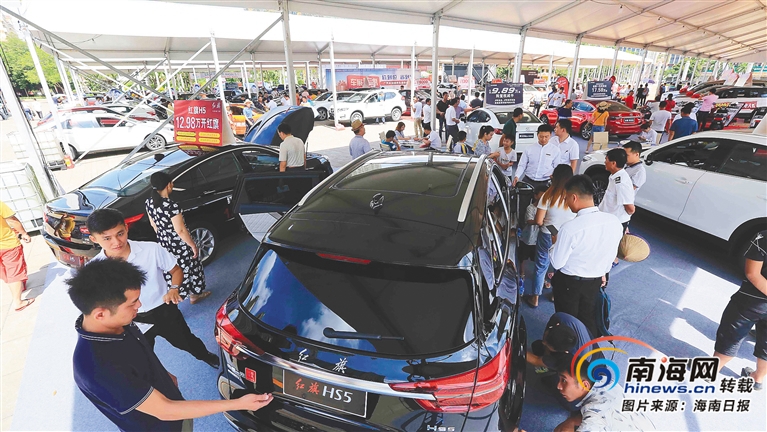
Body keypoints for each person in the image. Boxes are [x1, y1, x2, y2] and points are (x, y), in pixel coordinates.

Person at [67, 259, 273, 431]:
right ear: (100, 314)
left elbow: (139, 353)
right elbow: (165, 410)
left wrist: (163, 374)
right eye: (132, 303)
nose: (139, 305)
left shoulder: (118, 322)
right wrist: (238, 404)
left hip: (175, 410)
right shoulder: (96, 367)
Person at [87, 209, 220, 368]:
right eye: (107, 238)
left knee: (186, 341)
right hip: (131, 319)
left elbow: (176, 270)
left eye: (120, 234)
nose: (116, 242)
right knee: (142, 356)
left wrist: (174, 288)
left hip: (163, 310)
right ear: (94, 239)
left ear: (126, 228)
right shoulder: (95, 269)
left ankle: (206, 356)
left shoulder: (151, 249)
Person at [549, 175, 623, 337]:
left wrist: (555, 243)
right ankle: (587, 346)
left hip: (569, 283)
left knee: (567, 322)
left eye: (566, 198)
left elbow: (557, 262)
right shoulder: (614, 222)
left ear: (574, 197)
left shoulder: (570, 228)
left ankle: (567, 348)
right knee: (589, 318)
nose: (566, 202)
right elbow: (611, 254)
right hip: (595, 281)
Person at [713, 229, 767, 391]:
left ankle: (713, 370)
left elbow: (753, 273)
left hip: (751, 301)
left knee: (731, 334)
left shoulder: (764, 236)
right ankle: (758, 378)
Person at [146, 172, 210, 305]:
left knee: (173, 269)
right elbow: (180, 230)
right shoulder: (172, 206)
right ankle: (194, 295)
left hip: (164, 243)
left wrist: (164, 237)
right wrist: (193, 245)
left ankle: (176, 296)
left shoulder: (149, 202)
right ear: (168, 185)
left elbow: (153, 225)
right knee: (191, 266)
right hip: (179, 244)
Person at [553, 355, 655, 432]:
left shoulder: (593, 418)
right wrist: (572, 421)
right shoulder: (605, 381)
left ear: (585, 385)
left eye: (564, 381)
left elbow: (595, 418)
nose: (558, 386)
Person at [525, 165, 576, 308]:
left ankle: (535, 297)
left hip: (547, 233)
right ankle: (555, 294)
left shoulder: (547, 195)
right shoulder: (574, 196)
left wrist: (548, 225)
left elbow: (539, 221)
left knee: (541, 265)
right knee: (560, 266)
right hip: (566, 235)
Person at [1, 200, 33, 312]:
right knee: (14, 271)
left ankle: (19, 287)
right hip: (7, 244)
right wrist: (23, 233)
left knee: (4, 271)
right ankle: (18, 302)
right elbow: (12, 220)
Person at [513, 124, 561, 189]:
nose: (543, 139)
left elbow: (556, 167)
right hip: (528, 180)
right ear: (537, 135)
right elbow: (522, 165)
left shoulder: (555, 150)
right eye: (541, 136)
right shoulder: (529, 148)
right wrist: (517, 176)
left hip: (545, 182)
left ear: (550, 135)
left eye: (546, 137)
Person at [599, 148, 635, 233]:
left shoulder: (621, 183)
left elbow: (630, 209)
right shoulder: (615, 176)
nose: (605, 162)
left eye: (606, 160)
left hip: (614, 223)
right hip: (607, 219)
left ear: (613, 163)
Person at [519, 185, 547, 284]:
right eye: (541, 196)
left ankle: (540, 277)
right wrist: (539, 221)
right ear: (535, 196)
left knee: (539, 259)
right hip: (528, 238)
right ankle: (522, 273)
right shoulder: (530, 208)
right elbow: (528, 221)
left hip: (540, 238)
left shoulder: (547, 208)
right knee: (523, 257)